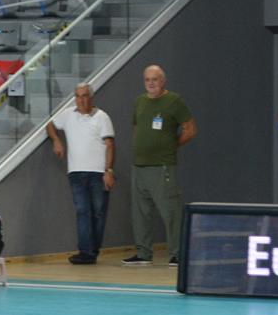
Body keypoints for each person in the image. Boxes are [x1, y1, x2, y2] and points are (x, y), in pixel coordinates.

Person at [124, 65, 196, 267]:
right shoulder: (139, 101)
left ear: (163, 81)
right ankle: (143, 253)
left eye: (154, 79)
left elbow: (190, 129)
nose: (151, 83)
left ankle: (178, 253)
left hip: (162, 166)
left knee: (170, 211)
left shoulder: (174, 101)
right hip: (139, 166)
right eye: (147, 79)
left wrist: (171, 146)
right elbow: (137, 128)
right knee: (140, 214)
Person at [47, 82, 116, 265]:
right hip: (76, 172)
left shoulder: (102, 117)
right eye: (78, 96)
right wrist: (56, 141)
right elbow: (50, 125)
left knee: (98, 213)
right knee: (82, 211)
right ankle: (86, 252)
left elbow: (110, 145)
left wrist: (108, 170)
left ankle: (93, 250)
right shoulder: (68, 114)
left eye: (84, 96)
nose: (81, 100)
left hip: (98, 173)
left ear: (91, 97)